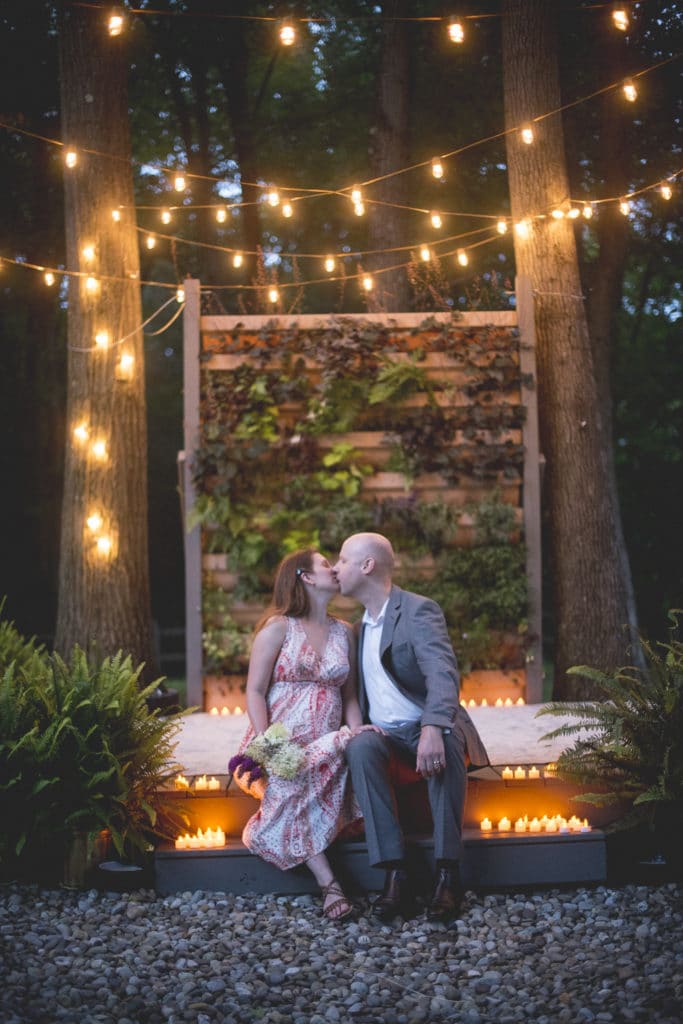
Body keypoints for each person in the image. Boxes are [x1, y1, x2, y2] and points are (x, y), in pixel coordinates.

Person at [332, 532, 490, 922]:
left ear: (367, 565)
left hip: (426, 725)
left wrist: (434, 726)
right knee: (360, 747)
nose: (335, 569)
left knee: (447, 739)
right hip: (385, 736)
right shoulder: (355, 630)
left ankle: (448, 874)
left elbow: (442, 673)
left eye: (342, 560)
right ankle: (395, 874)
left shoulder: (418, 610)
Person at [232, 547, 376, 921]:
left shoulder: (345, 632)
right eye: (327, 565)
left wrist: (358, 731)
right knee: (287, 782)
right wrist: (268, 745)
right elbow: (254, 691)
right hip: (277, 742)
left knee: (334, 760)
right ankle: (330, 885)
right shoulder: (278, 627)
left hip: (324, 743)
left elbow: (349, 696)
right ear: (306, 578)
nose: (335, 570)